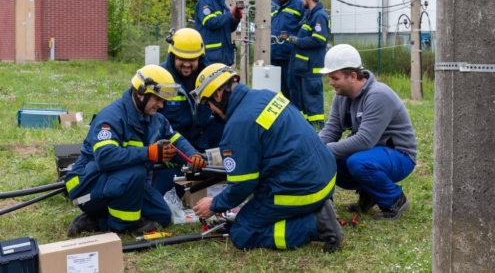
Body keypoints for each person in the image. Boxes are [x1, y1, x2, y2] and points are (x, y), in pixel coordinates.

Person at [190, 63, 343, 253]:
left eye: (208, 104)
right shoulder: (265, 95)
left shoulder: (238, 126)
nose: (211, 110)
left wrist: (215, 204)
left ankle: (316, 224)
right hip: (325, 175)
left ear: (218, 94)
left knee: (242, 232)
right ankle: (315, 209)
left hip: (303, 187)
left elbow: (242, 186)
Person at [65, 65, 207, 237]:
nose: (161, 105)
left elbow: (176, 140)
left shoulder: (155, 119)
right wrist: (149, 153)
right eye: (157, 99)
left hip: (127, 182)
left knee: (163, 217)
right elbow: (105, 157)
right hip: (88, 186)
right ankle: (117, 226)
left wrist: (193, 155)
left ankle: (98, 220)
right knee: (136, 171)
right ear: (141, 93)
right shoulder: (112, 117)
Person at [318, 44, 417, 220]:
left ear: (353, 76)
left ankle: (395, 200)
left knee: (358, 162)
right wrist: (313, 149)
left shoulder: (378, 95)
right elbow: (331, 130)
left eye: (335, 78)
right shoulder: (340, 98)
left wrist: (326, 151)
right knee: (330, 162)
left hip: (399, 155)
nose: (331, 82)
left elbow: (365, 140)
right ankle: (370, 194)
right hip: (373, 154)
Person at [153, 28, 224, 196]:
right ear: (172, 55)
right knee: (165, 191)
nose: (186, 64)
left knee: (229, 127)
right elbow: (155, 125)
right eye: (181, 59)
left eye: (192, 59)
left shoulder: (211, 75)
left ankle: (228, 169)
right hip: (174, 141)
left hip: (203, 135)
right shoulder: (161, 78)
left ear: (200, 57)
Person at [287, 0, 329, 129]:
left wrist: (297, 41)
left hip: (311, 70)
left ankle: (318, 132)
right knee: (303, 105)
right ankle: (306, 130)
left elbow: (319, 39)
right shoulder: (309, 15)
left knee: (313, 105)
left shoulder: (319, 16)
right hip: (303, 68)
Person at [194, 0, 242, 66]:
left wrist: (236, 18)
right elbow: (210, 22)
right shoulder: (205, 1)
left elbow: (229, 28)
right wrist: (230, 14)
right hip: (211, 56)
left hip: (224, 55)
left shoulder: (222, 4)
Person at [270, 0, 304, 99]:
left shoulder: (298, 3)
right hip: (274, 54)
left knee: (293, 89)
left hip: (290, 54)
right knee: (277, 89)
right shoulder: (272, 4)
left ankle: (295, 115)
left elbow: (304, 27)